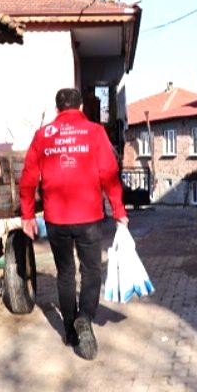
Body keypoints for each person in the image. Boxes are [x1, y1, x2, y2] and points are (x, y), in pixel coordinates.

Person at [19, 88, 128, 360]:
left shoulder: (43, 135)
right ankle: (85, 318)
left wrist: (27, 216)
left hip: (56, 219)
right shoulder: (94, 132)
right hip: (89, 217)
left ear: (57, 109)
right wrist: (119, 210)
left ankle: (69, 330)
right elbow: (109, 174)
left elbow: (28, 179)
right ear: (80, 108)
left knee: (65, 273)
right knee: (91, 270)